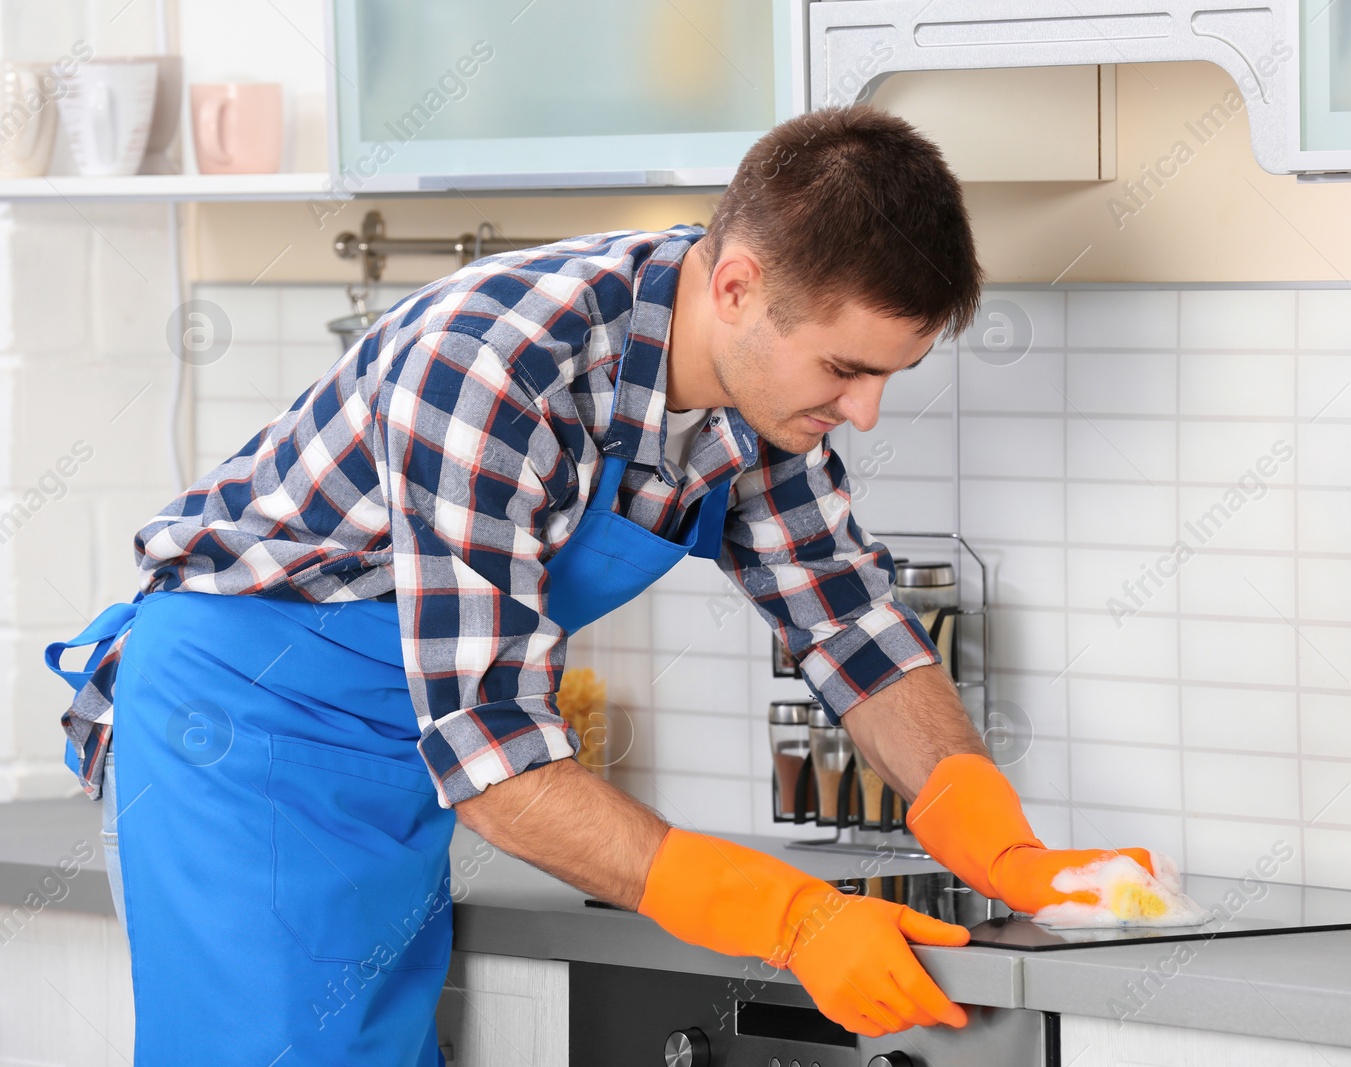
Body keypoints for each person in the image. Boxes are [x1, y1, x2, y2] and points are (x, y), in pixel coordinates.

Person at [46, 104, 1158, 1065]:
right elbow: (494, 760)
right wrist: (789, 914)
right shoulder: (493, 366)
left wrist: (982, 823)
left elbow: (850, 622)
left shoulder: (755, 394)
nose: (862, 413)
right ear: (737, 286)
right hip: (249, 730)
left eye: (887, 377)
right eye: (847, 369)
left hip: (400, 752)